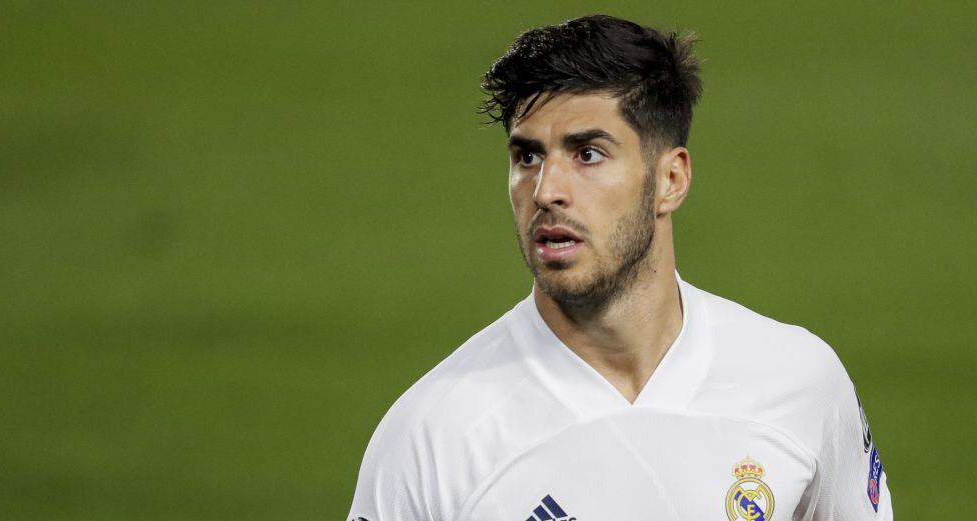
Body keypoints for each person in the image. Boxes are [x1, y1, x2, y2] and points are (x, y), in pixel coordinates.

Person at [346, 14, 891, 521]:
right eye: (527, 156)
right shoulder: (431, 437)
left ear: (671, 180)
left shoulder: (798, 382)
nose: (546, 191)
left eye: (588, 154)